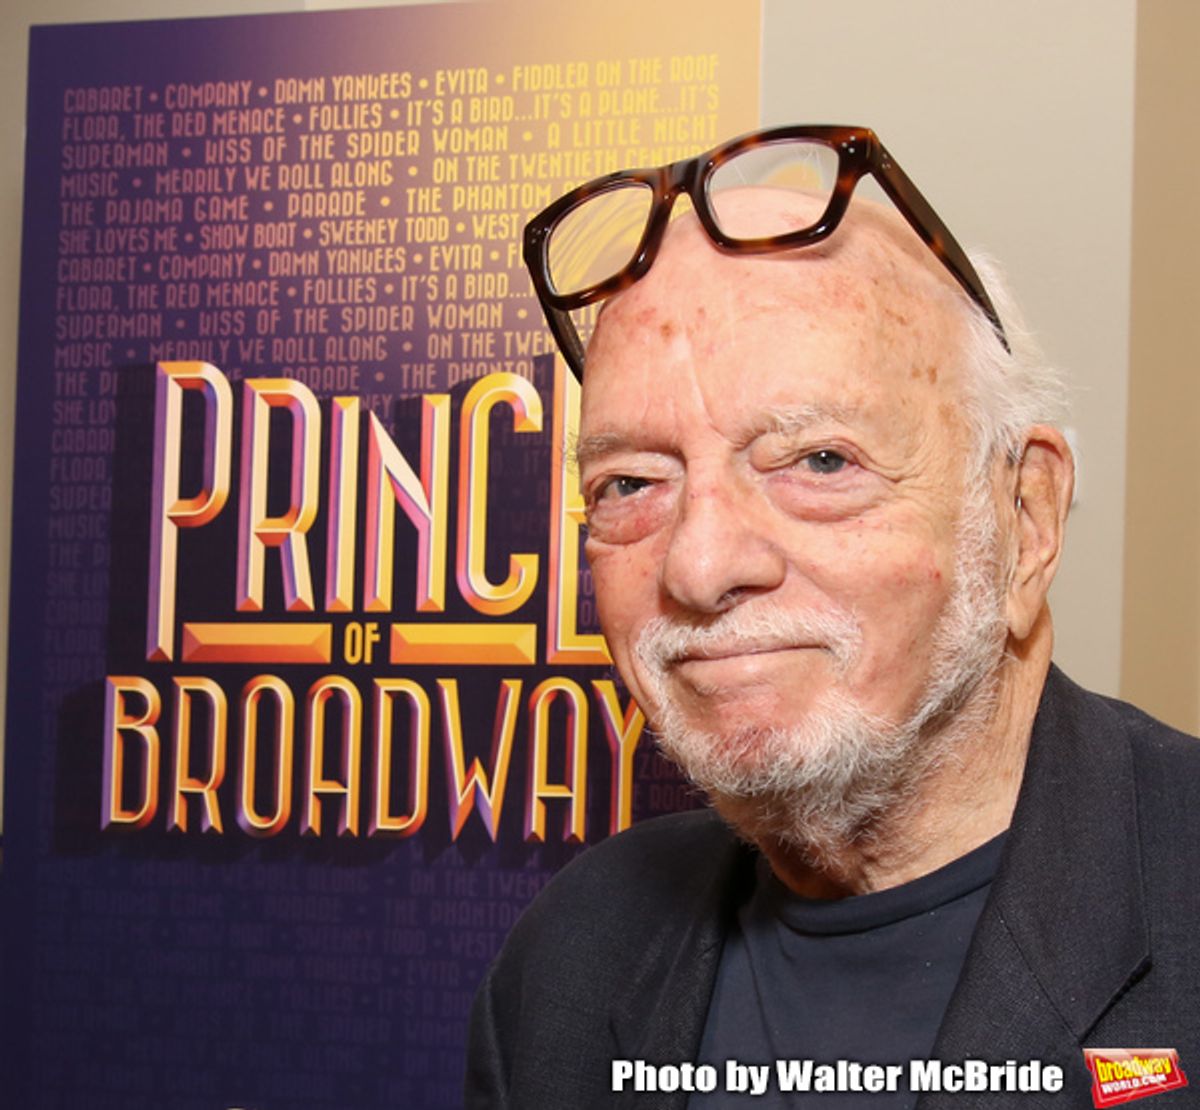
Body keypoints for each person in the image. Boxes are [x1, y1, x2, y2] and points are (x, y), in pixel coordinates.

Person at [464, 127, 1200, 1108]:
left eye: (819, 462)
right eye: (631, 481)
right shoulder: (572, 957)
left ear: (1024, 521)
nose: (702, 563)